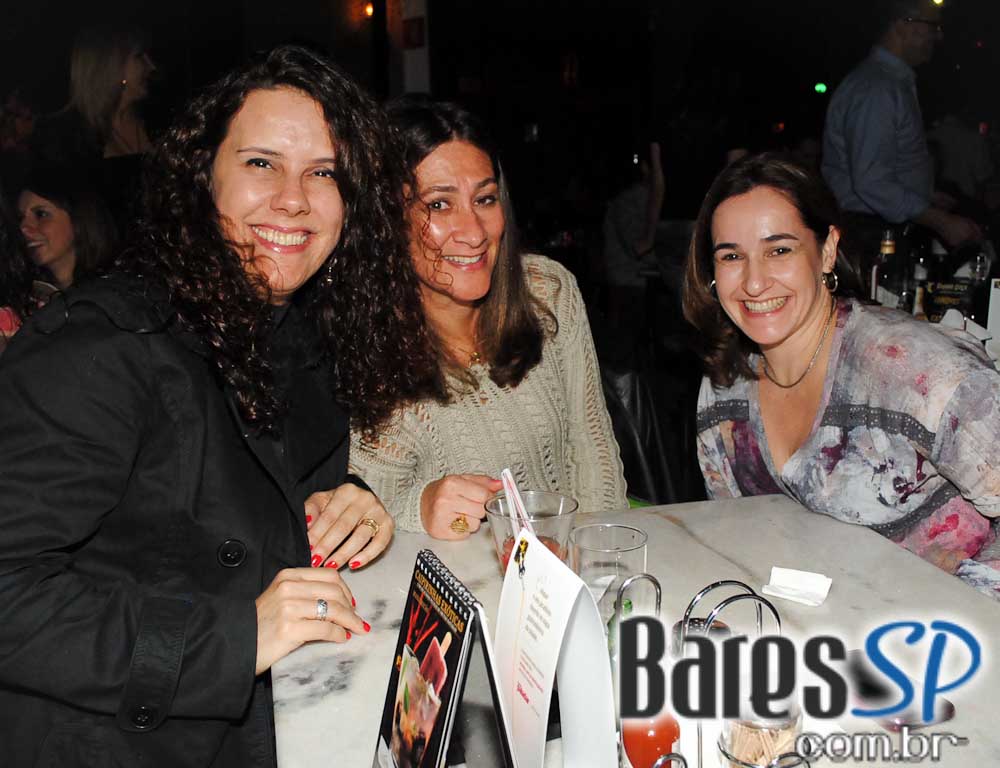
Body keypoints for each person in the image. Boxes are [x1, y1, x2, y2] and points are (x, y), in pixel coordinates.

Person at [0, 45, 432, 765]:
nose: (293, 198)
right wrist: (233, 638)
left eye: (324, 172)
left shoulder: (300, 336)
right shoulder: (104, 345)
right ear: (203, 176)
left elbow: (219, 507)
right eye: (262, 163)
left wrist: (344, 500)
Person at [685, 153, 1000, 596]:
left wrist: (963, 609)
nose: (754, 283)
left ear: (827, 250)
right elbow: (739, 542)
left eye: (779, 250)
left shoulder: (917, 373)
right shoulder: (725, 389)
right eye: (732, 256)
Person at [349, 96, 627, 540]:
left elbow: (592, 453)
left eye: (484, 199)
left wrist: (599, 555)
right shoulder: (363, 350)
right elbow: (358, 513)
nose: (475, 231)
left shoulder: (547, 292)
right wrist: (418, 509)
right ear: (386, 219)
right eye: (439, 205)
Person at [822, 0, 981, 262]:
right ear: (902, 24)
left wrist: (924, 196)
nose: (938, 36)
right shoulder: (878, 87)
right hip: (869, 234)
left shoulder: (889, 83)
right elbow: (871, 181)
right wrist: (940, 221)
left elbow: (880, 166)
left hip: (875, 228)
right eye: (933, 26)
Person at [30, 24, 157, 226]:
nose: (151, 66)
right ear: (113, 66)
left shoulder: (158, 120)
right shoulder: (62, 137)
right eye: (140, 56)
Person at [17, 166, 119, 290]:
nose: (23, 228)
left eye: (41, 214)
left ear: (79, 217)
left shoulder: (116, 290)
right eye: (20, 218)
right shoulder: (24, 294)